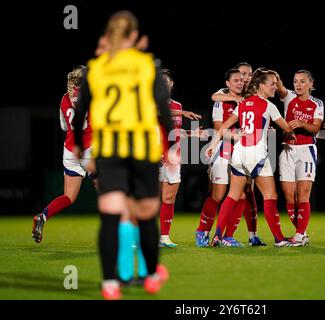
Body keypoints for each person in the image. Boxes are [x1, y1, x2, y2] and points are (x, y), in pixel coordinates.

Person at [72, 10, 174, 299]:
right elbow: (163, 108)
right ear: (133, 36)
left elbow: (80, 113)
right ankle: (152, 275)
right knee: (146, 216)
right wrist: (172, 140)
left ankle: (110, 284)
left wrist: (79, 143)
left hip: (109, 149)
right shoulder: (147, 64)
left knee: (110, 216)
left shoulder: (96, 67)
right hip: (141, 147)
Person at [206, 69, 299, 247]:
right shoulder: (269, 106)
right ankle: (279, 239)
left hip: (239, 153)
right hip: (256, 154)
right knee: (270, 195)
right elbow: (287, 128)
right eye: (271, 84)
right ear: (261, 86)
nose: (274, 87)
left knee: (232, 196)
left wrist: (212, 146)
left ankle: (217, 235)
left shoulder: (243, 104)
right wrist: (290, 135)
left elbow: (224, 127)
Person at [199, 63, 266, 247]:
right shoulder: (223, 96)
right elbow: (218, 126)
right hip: (223, 147)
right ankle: (202, 230)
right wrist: (234, 136)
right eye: (241, 75)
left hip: (244, 149)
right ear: (230, 81)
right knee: (218, 194)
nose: (245, 78)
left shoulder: (249, 96)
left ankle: (229, 236)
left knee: (244, 193)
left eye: (249, 74)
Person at [32, 65, 94, 243]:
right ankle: (121, 235)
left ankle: (42, 216)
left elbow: (64, 127)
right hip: (87, 149)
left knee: (68, 197)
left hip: (70, 151)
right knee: (110, 192)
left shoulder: (64, 99)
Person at [275, 70, 324, 246]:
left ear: (311, 84)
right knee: (289, 196)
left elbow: (316, 128)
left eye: (303, 81)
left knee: (303, 195)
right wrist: (276, 76)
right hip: (287, 149)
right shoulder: (289, 98)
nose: (298, 84)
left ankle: (299, 234)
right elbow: (280, 87)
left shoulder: (317, 103)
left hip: (306, 150)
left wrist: (302, 123)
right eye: (296, 81)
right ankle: (301, 234)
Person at [158, 68, 204, 247]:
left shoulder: (177, 105)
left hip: (173, 157)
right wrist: (183, 114)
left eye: (166, 82)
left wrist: (193, 133)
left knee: (169, 199)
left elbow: (174, 131)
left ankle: (164, 238)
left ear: (171, 85)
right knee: (147, 199)